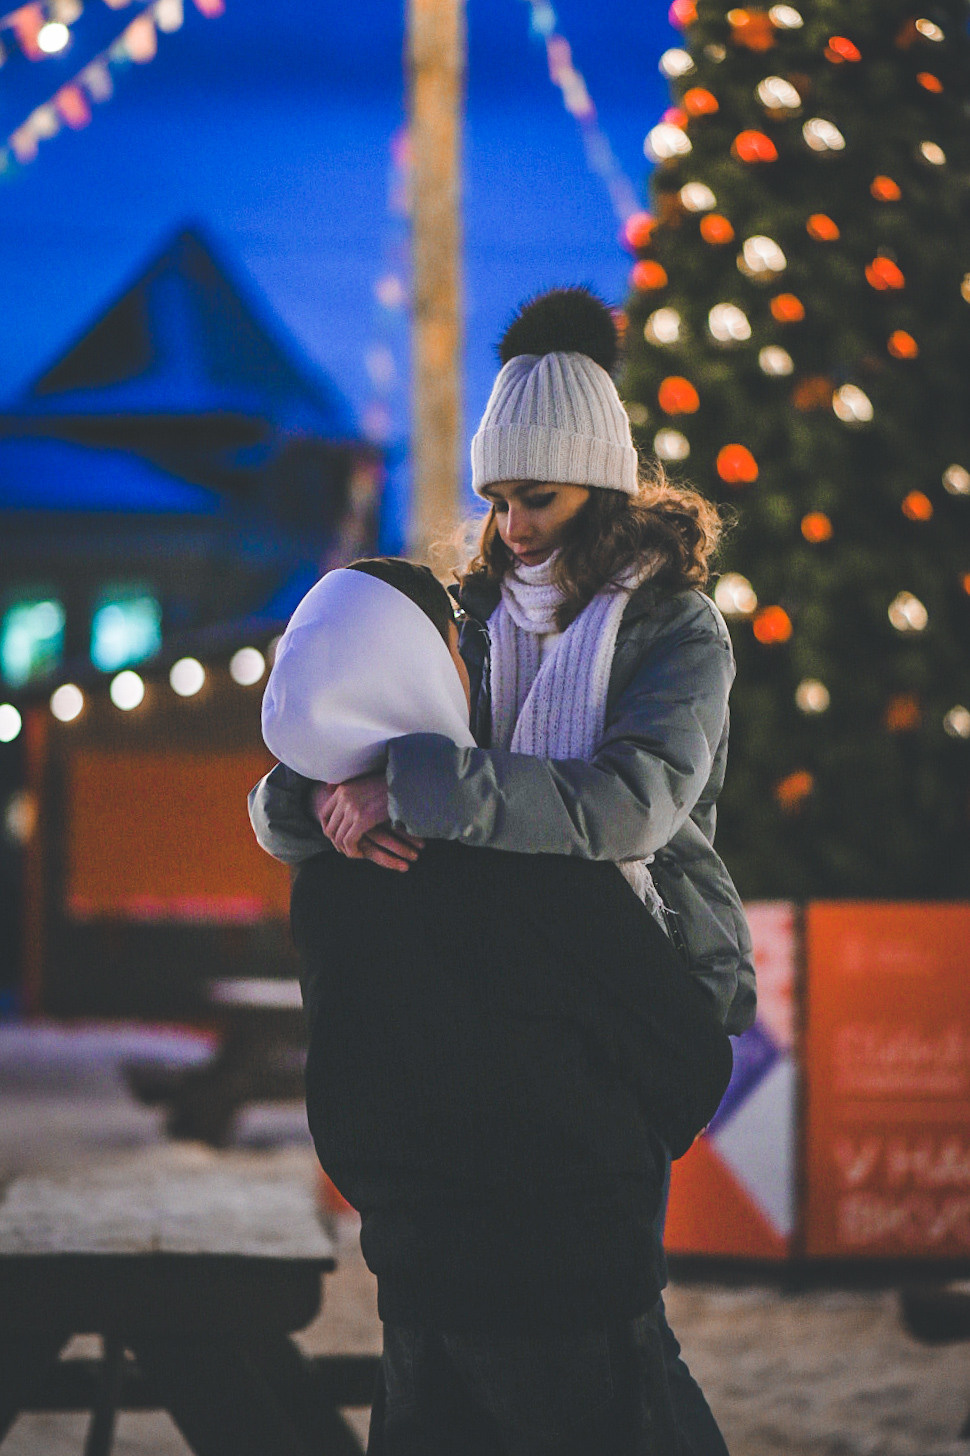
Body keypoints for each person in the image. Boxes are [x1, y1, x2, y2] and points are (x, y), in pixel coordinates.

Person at [250, 287, 757, 1454]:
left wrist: (415, 785)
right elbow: (346, 738)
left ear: (601, 486)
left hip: (628, 972)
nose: (513, 527)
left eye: (539, 497)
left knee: (595, 1309)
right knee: (481, 1320)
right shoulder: (472, 617)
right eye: (497, 500)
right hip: (491, 989)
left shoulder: (675, 628)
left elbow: (629, 804)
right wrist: (314, 799)